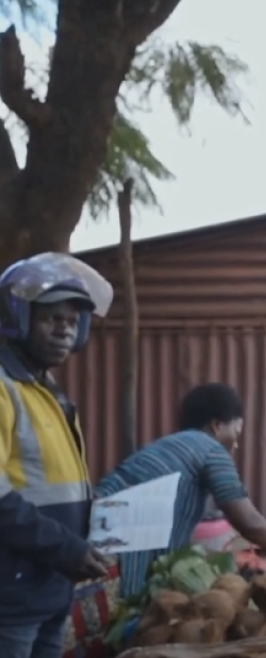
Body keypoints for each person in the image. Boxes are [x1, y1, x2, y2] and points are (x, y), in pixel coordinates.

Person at [96, 383, 266, 598]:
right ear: (217, 425)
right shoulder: (211, 450)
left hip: (94, 540)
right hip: (119, 559)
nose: (236, 444)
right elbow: (249, 522)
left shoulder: (170, 445)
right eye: (236, 432)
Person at [0, 253, 113, 658]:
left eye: (72, 322)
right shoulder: (5, 387)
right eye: (52, 319)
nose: (64, 330)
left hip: (49, 586)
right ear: (19, 318)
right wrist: (67, 548)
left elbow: (50, 484)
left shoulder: (49, 392)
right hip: (10, 598)